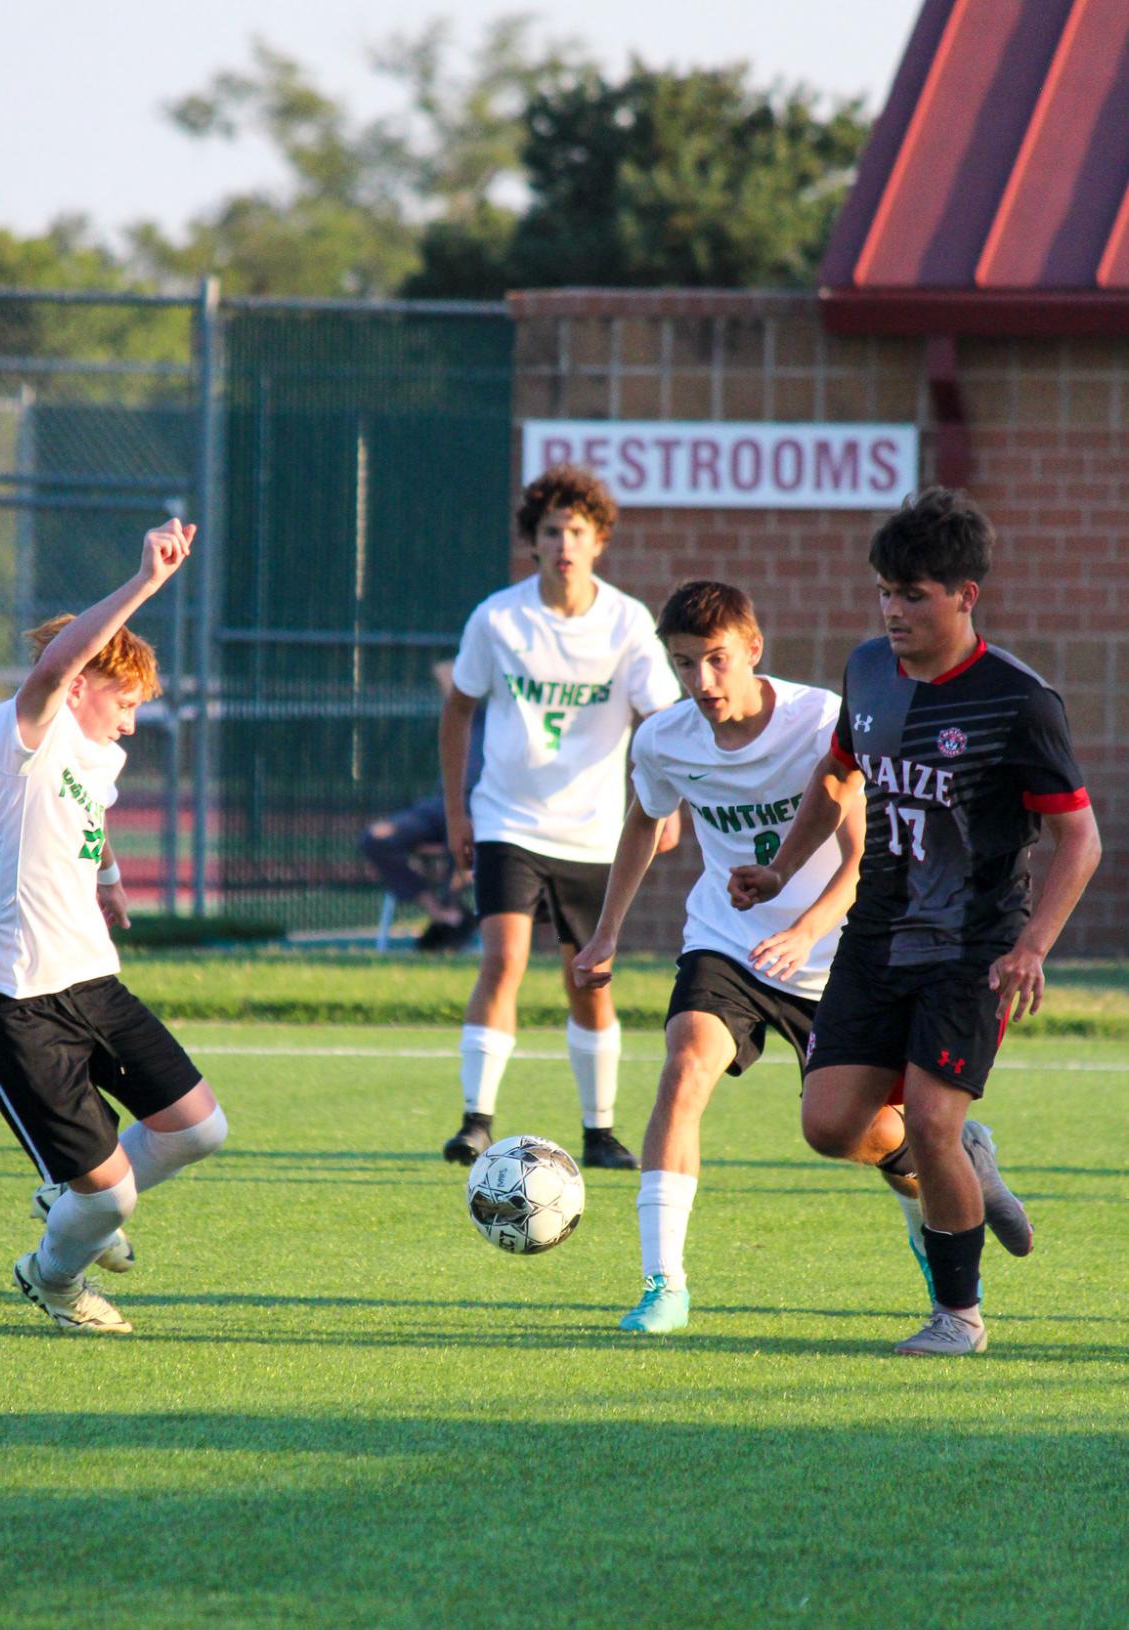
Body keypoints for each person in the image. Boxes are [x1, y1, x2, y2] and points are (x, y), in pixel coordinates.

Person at [730, 487, 1101, 1356]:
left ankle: (959, 1317)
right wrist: (782, 867)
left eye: (915, 594)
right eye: (886, 593)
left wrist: (1032, 946)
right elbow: (835, 777)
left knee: (927, 1118)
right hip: (876, 935)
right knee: (829, 1125)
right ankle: (968, 1156)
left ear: (966, 595)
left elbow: (1078, 839)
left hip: (972, 948)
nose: (894, 611)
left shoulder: (1019, 700)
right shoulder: (865, 673)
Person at [572, 578, 989, 1334]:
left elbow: (862, 852)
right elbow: (644, 821)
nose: (701, 682)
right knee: (684, 1063)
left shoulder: (819, 721)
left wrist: (805, 931)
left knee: (857, 1131)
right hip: (727, 944)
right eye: (683, 664)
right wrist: (606, 932)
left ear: (753, 649)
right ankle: (664, 1283)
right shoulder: (665, 737)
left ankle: (935, 1178)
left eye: (716, 660)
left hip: (839, 955)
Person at [0, 518, 227, 1335]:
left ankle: (67, 1197)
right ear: (79, 685)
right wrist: (145, 582)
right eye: (127, 701)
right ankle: (53, 1274)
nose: (134, 722)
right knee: (112, 1196)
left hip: (89, 981)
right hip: (10, 999)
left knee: (198, 1127)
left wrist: (106, 881)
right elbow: (58, 662)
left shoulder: (98, 756)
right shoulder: (26, 730)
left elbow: (93, 815)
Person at [439, 464, 681, 1170]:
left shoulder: (628, 622)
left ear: (599, 540)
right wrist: (458, 810)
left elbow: (662, 718)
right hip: (507, 819)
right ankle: (475, 1120)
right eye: (551, 531)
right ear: (533, 542)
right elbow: (459, 709)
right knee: (503, 959)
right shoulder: (498, 617)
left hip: (596, 828)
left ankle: (599, 1130)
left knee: (588, 976)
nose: (564, 543)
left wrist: (668, 804)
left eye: (577, 530)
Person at [359, 661, 482, 952]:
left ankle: (451, 916)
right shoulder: (473, 716)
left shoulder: (520, 721)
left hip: (483, 810)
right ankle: (440, 913)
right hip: (440, 805)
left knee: (469, 842)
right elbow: (443, 671)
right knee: (375, 838)